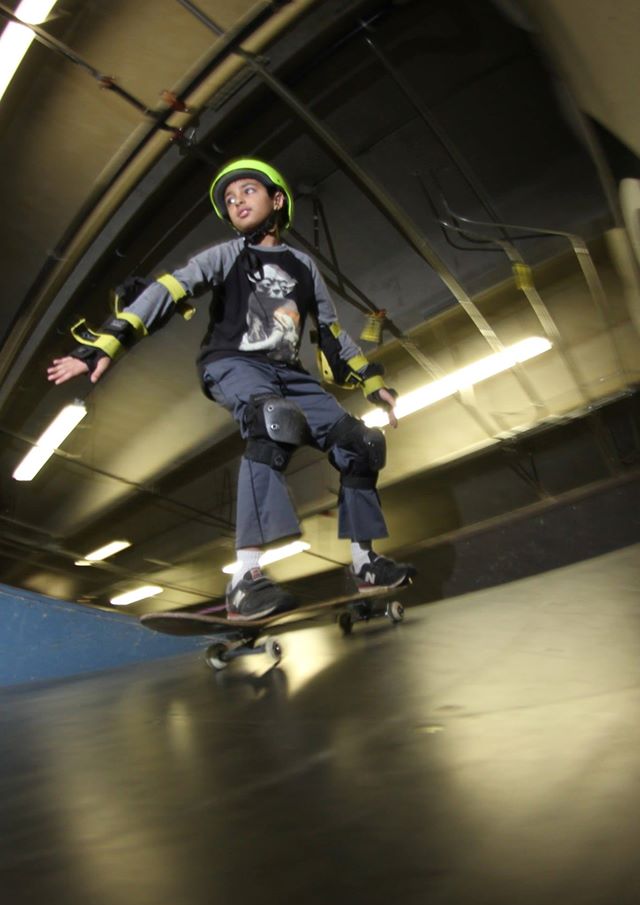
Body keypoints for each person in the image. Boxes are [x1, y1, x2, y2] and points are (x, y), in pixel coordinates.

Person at [48, 158, 416, 620]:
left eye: (247, 191)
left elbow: (331, 335)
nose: (236, 201)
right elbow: (171, 288)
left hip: (289, 374)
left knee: (362, 443)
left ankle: (365, 562)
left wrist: (372, 382)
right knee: (273, 420)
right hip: (233, 362)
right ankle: (245, 579)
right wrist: (110, 339)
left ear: (277, 200)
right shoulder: (228, 255)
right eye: (229, 198)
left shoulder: (305, 268)